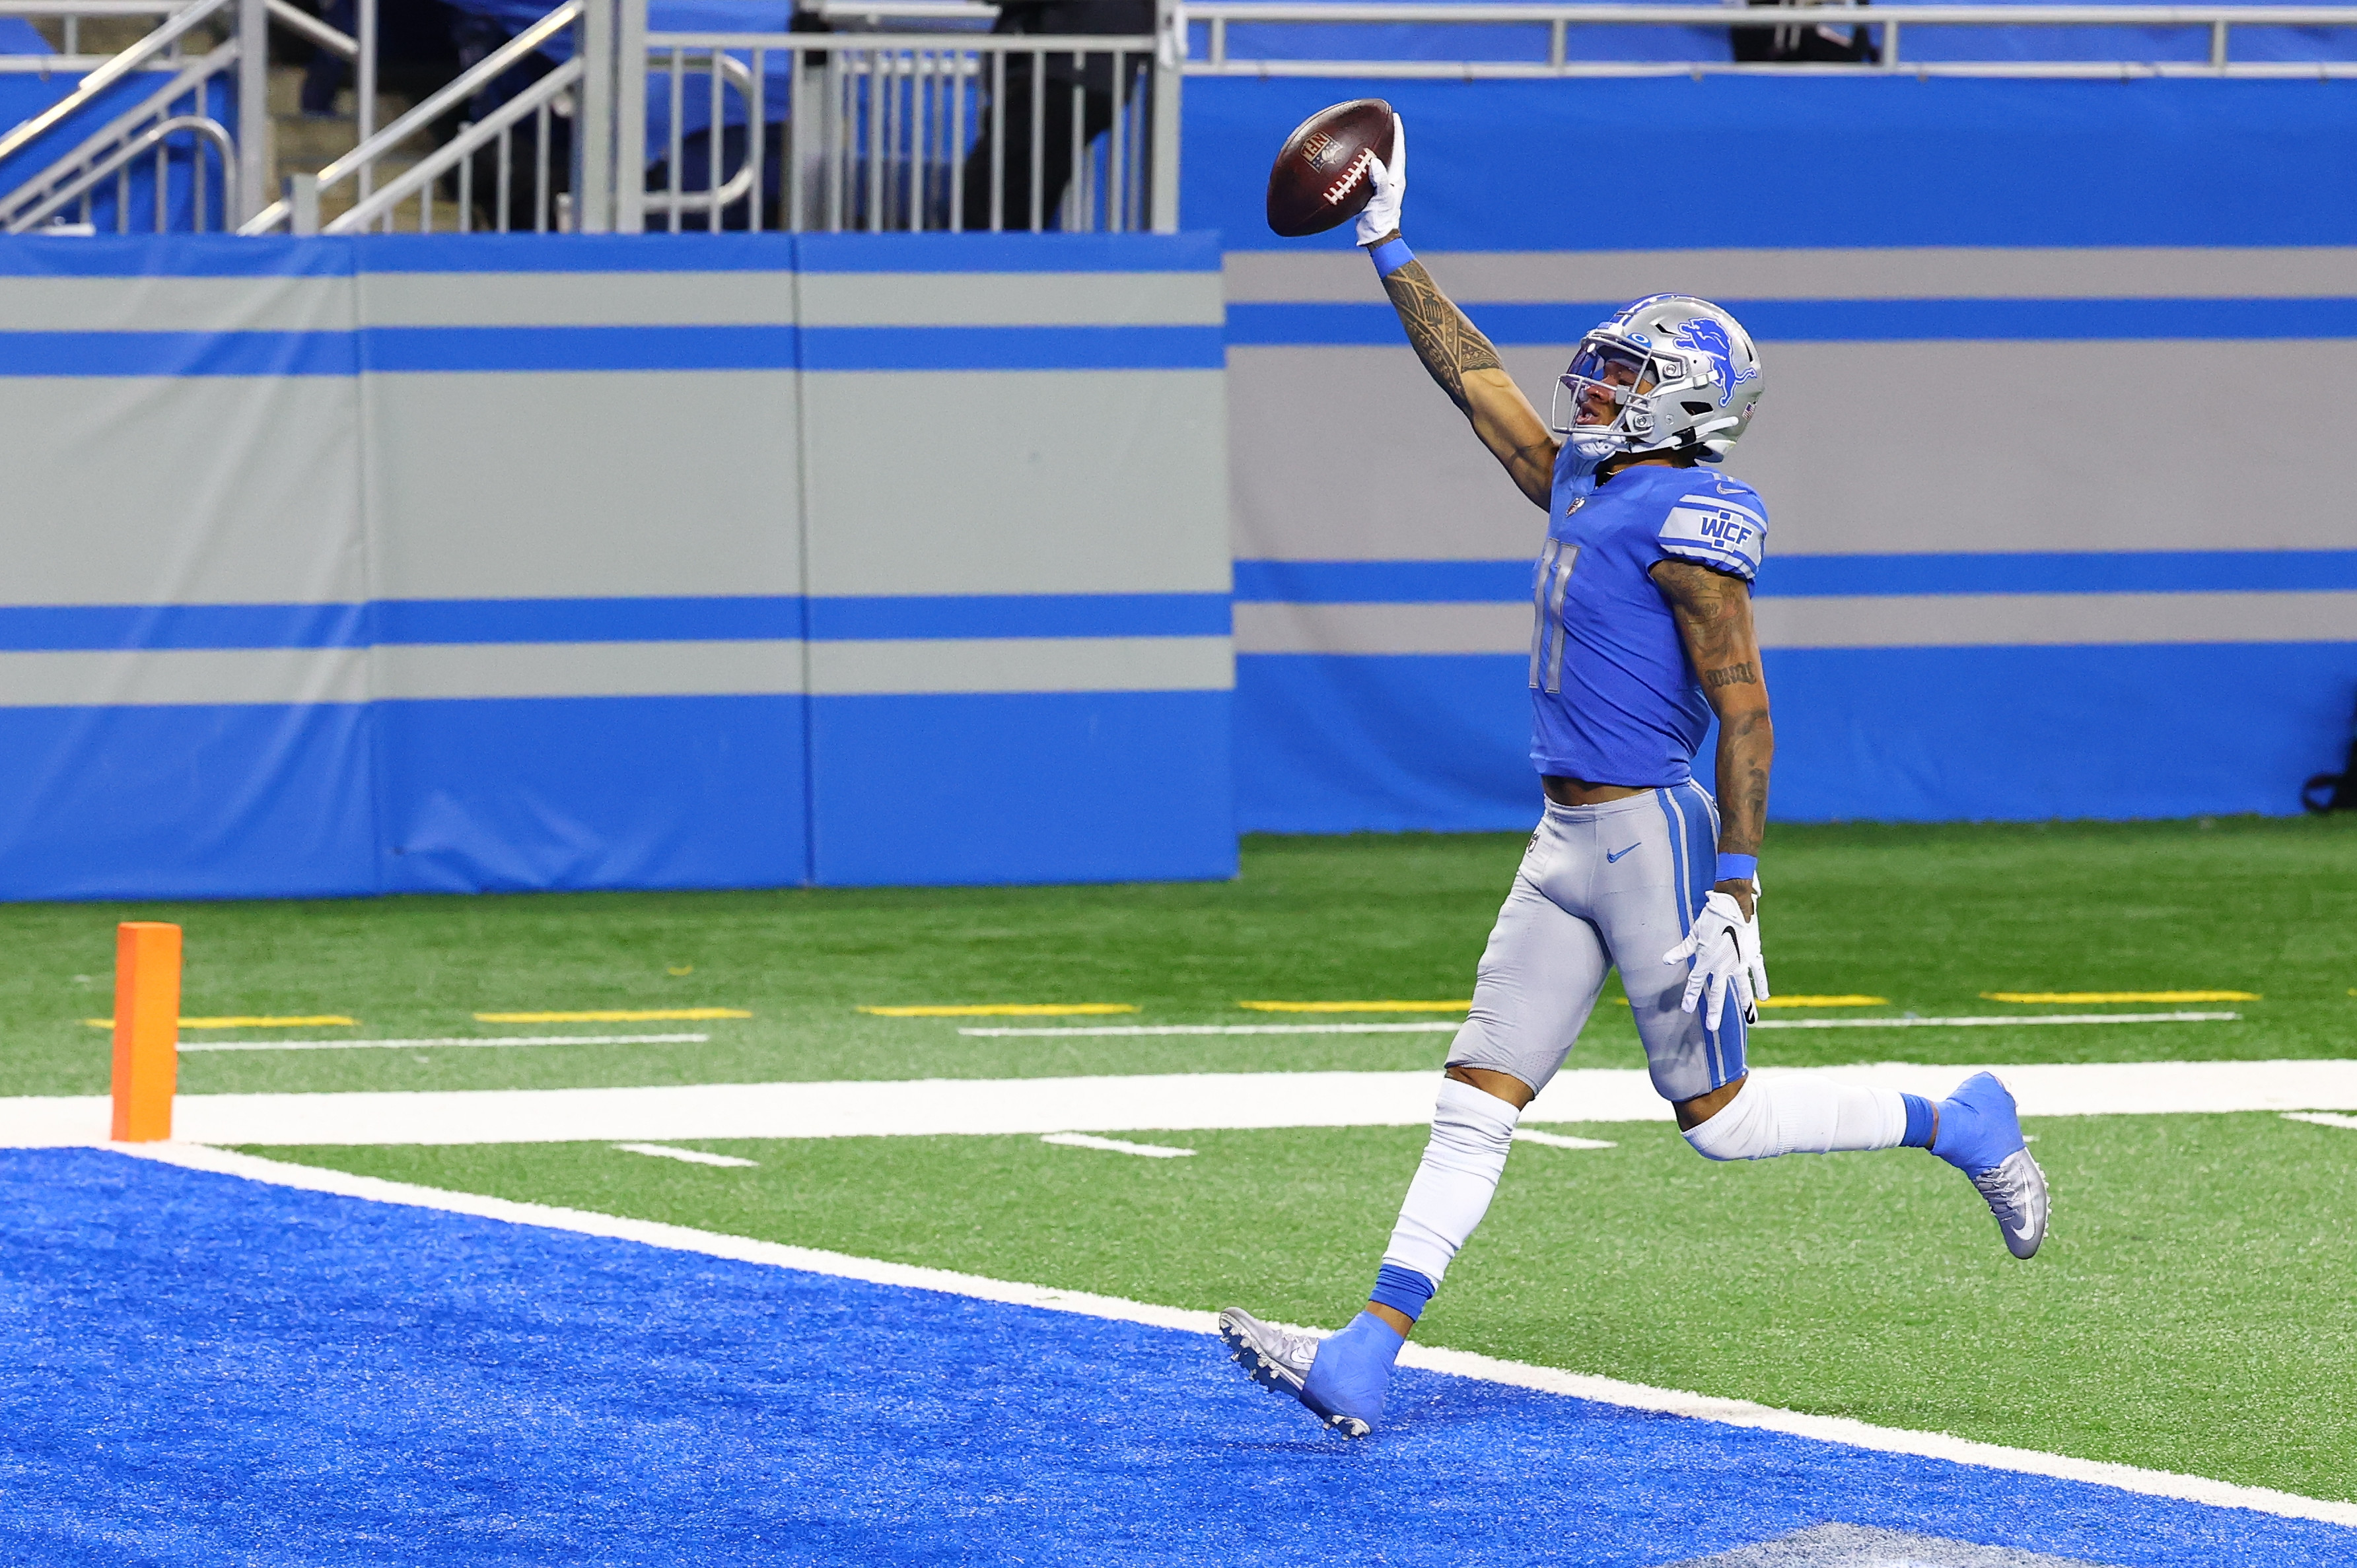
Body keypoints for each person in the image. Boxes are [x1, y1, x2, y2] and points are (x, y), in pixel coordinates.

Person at [1216, 115, 2049, 1440]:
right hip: (1562, 839)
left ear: (1684, 400)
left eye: (1621, 376)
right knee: (1474, 1091)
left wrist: (1738, 883)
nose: (1591, 389)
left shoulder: (1692, 518)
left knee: (1716, 1121)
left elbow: (1746, 705)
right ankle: (1364, 1353)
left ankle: (1956, 1115)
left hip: (1650, 839)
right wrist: (1388, 247)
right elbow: (1479, 385)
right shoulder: (1588, 485)